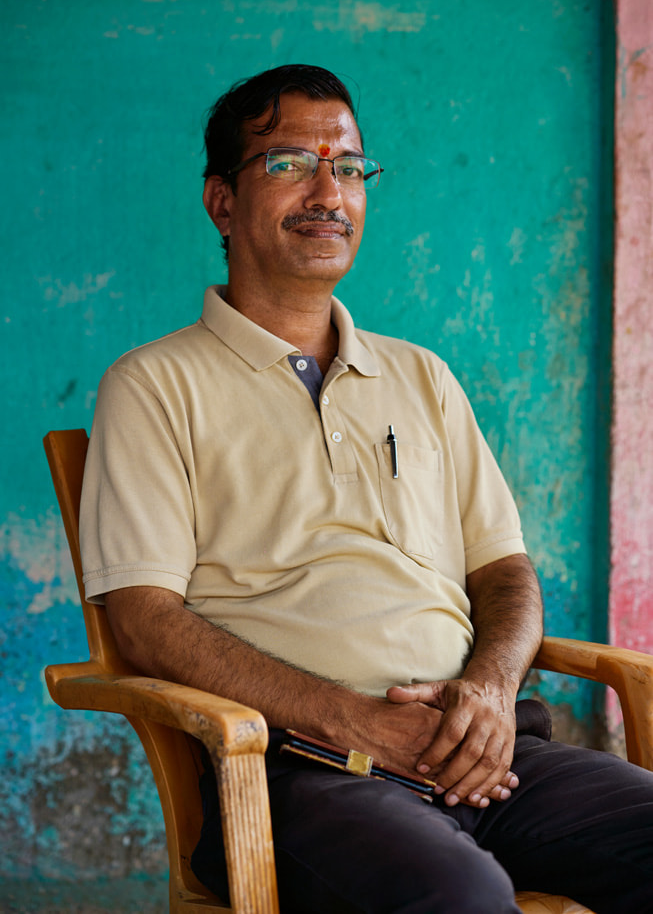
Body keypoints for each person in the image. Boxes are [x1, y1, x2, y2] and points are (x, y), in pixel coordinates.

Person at [79, 64, 653, 914]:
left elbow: (504, 572)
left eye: (346, 167)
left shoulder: (422, 375)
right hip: (307, 774)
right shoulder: (155, 385)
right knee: (456, 896)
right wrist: (346, 718)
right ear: (221, 202)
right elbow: (145, 617)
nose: (327, 191)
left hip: (489, 752)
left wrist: (491, 689)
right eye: (287, 164)